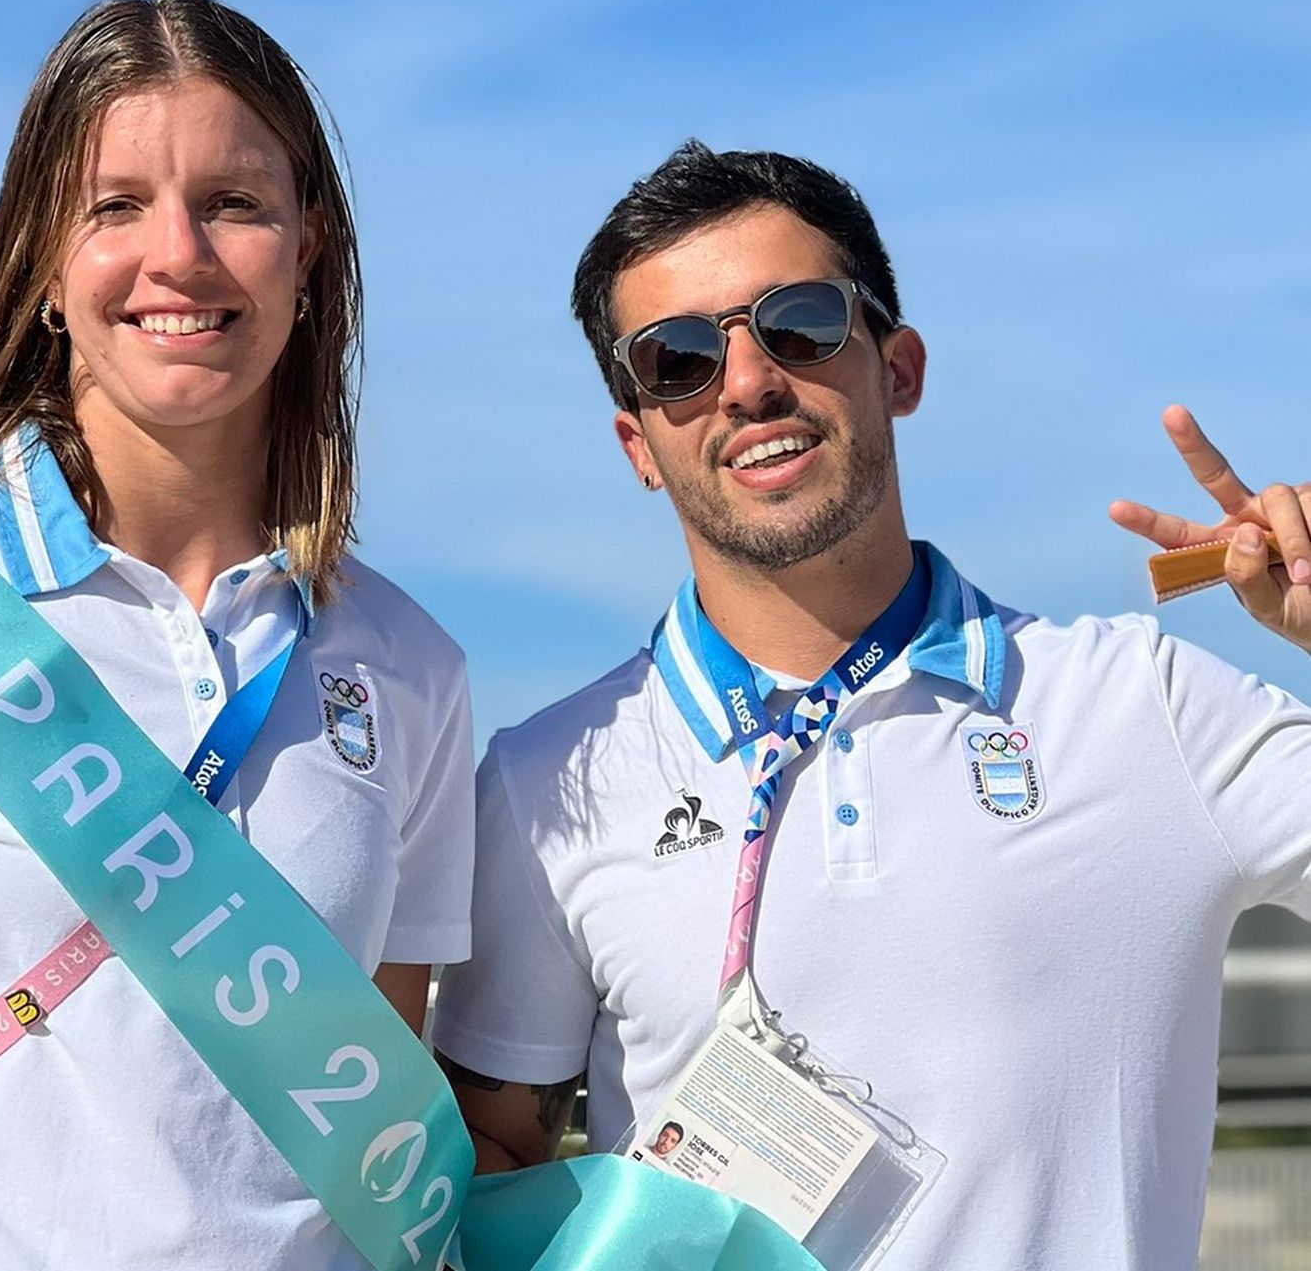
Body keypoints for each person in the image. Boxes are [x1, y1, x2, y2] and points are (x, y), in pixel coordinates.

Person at [433, 141, 1311, 1269]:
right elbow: (494, 1157)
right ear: (638, 443)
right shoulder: (546, 778)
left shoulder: (1146, 704)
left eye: (798, 323)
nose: (747, 383)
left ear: (898, 368)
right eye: (678, 359)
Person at [0, 0, 474, 1269]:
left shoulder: (408, 666)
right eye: (116, 206)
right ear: (43, 265)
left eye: (235, 203)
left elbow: (383, 1134)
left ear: (308, 252)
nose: (179, 252)